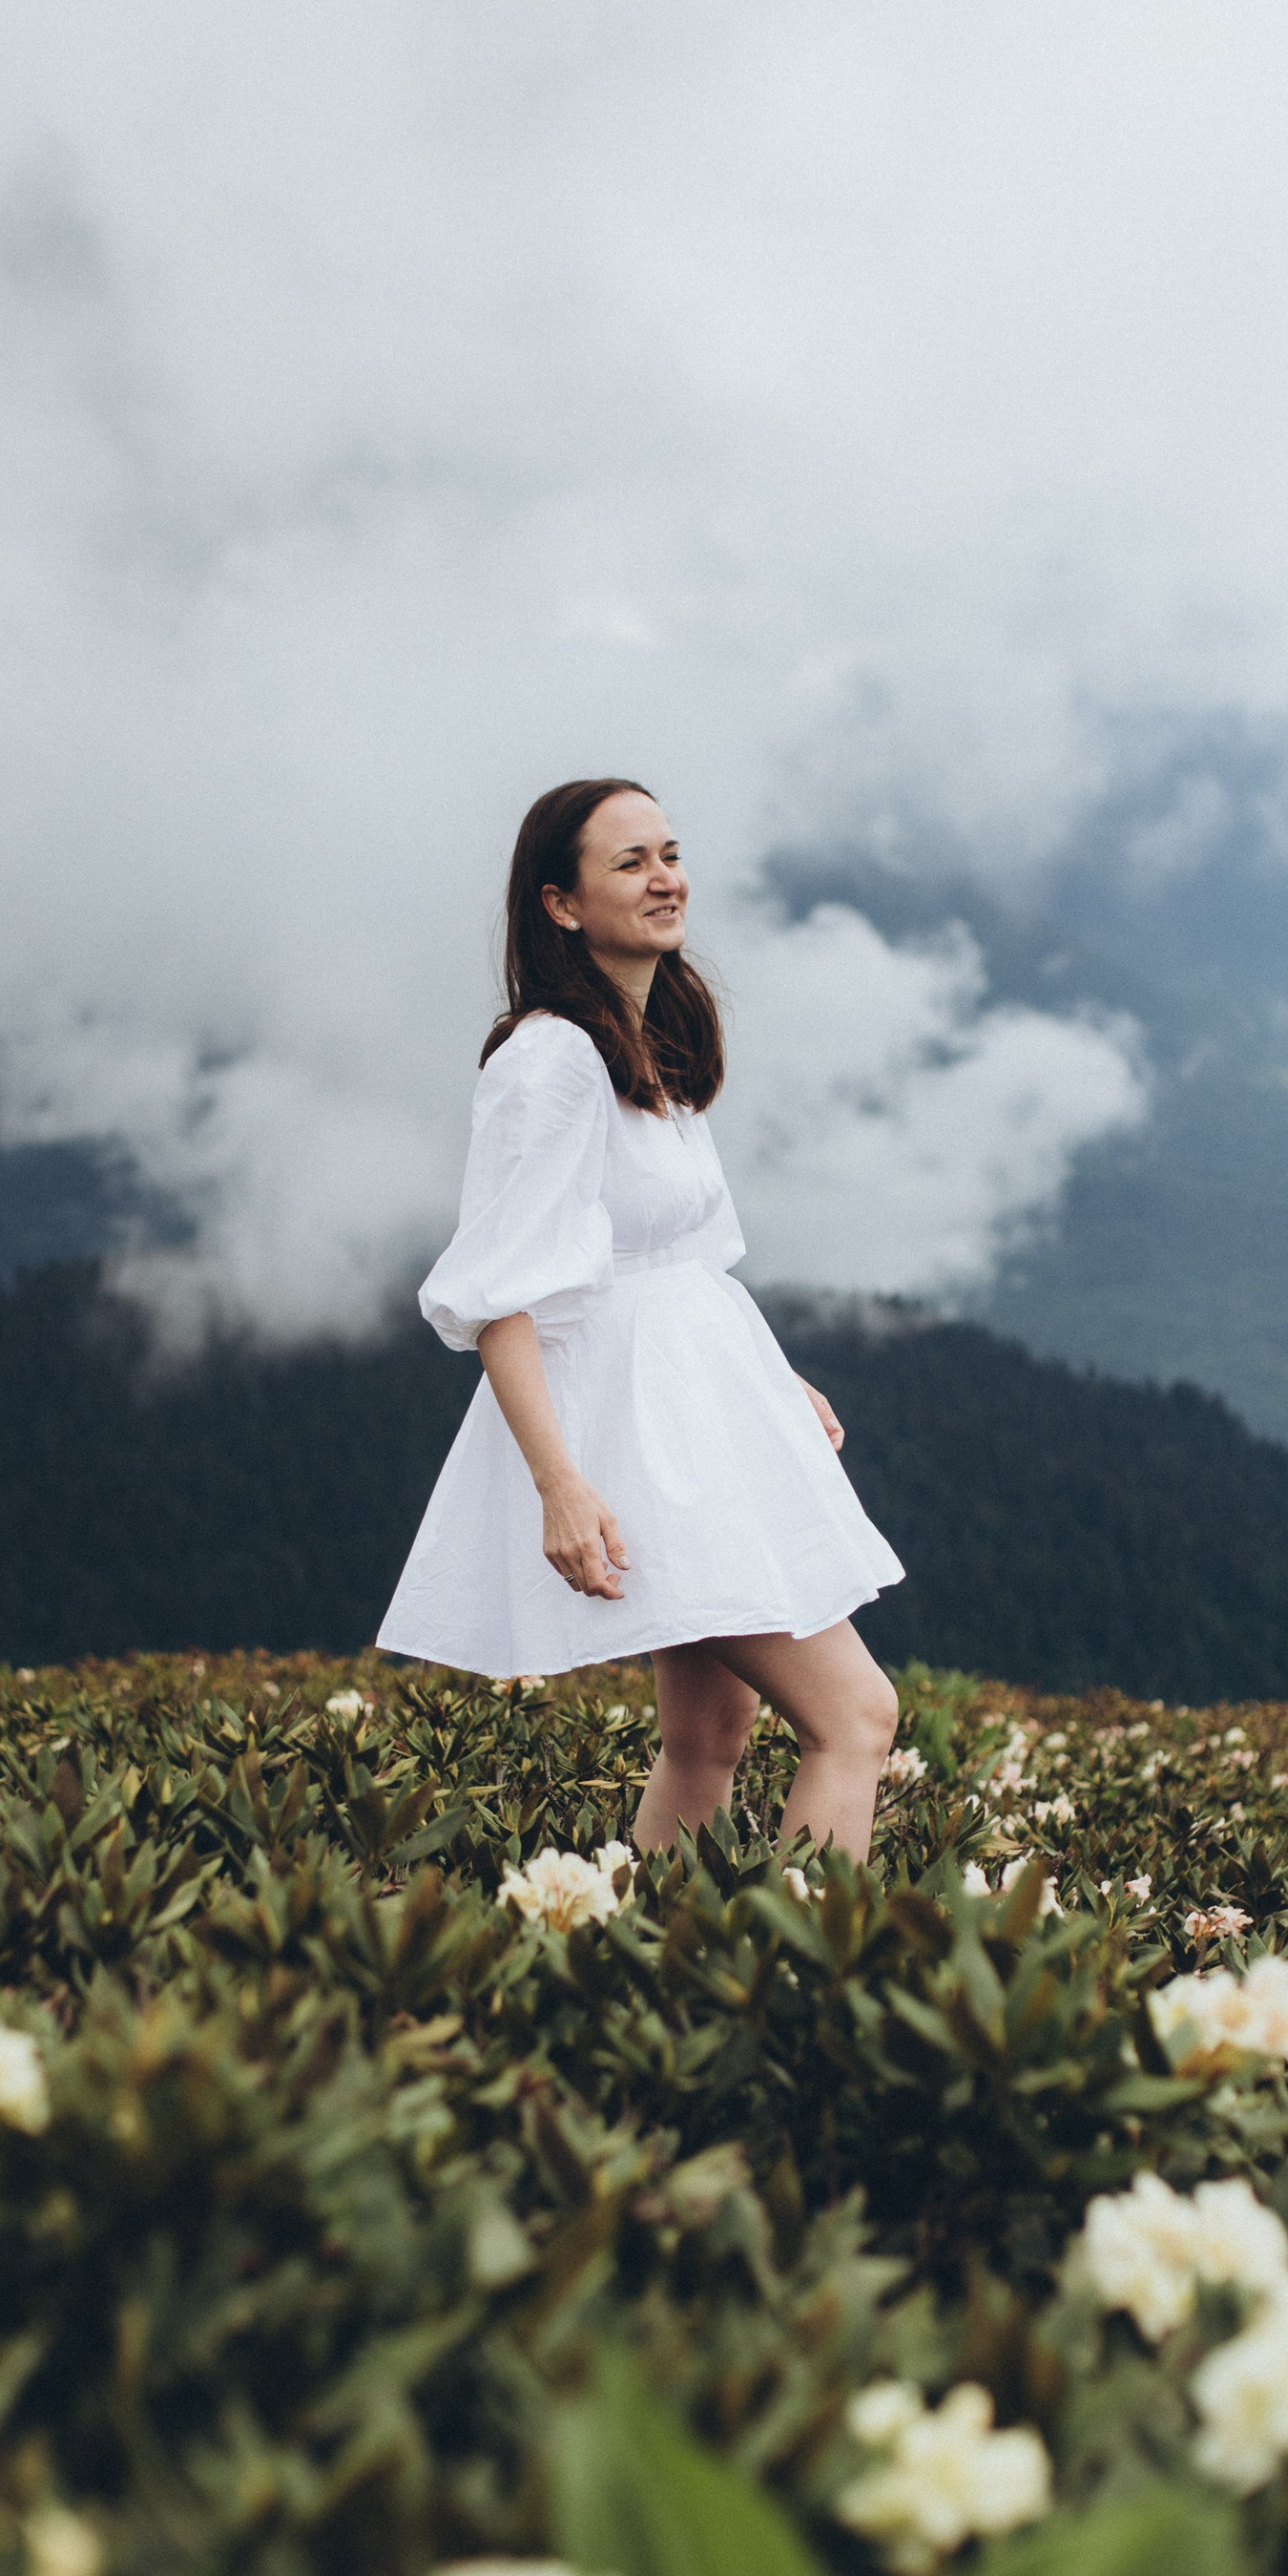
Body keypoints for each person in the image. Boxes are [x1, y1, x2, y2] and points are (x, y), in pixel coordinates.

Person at [377, 777, 906, 1860]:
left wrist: (773, 1379)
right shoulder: (551, 1060)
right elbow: (500, 1295)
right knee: (856, 1717)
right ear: (560, 904)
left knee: (710, 1733)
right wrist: (559, 1485)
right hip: (647, 1440)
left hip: (697, 1411)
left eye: (670, 852)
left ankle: (646, 1945)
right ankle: (819, 1958)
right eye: (630, 862)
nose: (666, 878)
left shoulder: (643, 1041)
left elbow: (678, 1258)